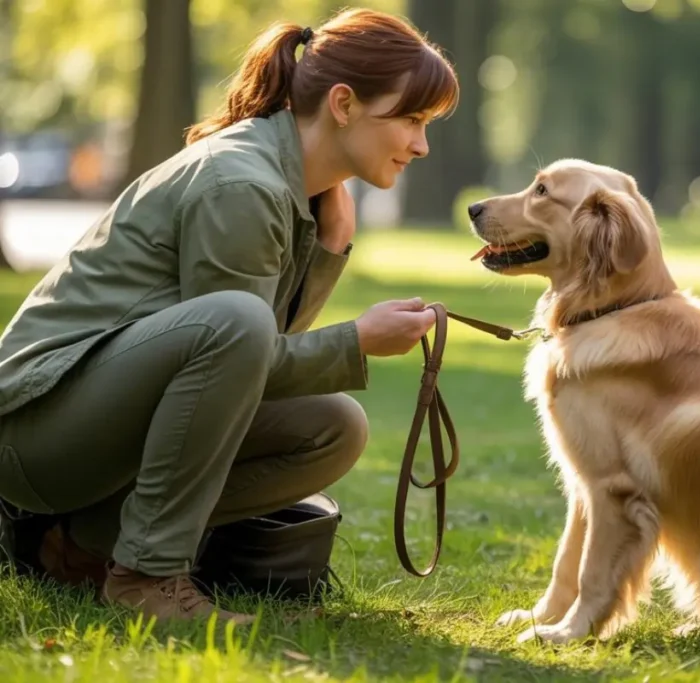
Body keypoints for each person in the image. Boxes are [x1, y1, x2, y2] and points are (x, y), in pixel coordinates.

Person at [0, 7, 457, 624]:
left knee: (334, 427)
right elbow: (244, 340)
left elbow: (240, 376)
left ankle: (81, 550)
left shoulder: (292, 188)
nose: (422, 145)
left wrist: (325, 252)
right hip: (35, 433)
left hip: (89, 422)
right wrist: (356, 340)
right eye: (410, 118)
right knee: (238, 322)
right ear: (344, 104)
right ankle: (148, 577)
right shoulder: (242, 183)